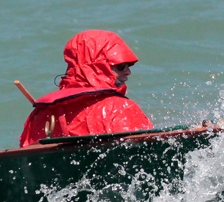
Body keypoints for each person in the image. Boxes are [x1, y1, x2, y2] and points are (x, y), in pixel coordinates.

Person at [19, 30, 152, 147]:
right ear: (99, 66)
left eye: (129, 65)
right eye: (121, 66)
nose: (128, 71)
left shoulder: (40, 114)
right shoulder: (120, 108)